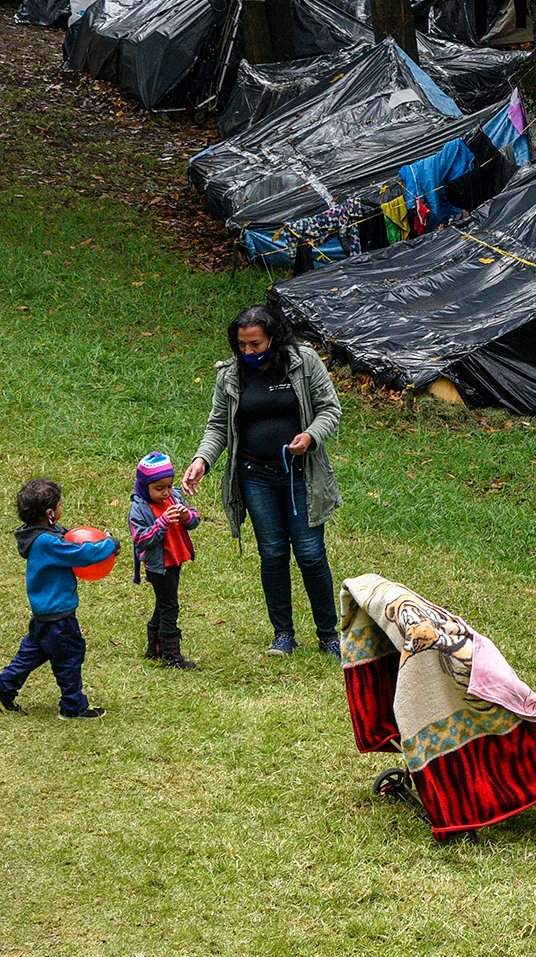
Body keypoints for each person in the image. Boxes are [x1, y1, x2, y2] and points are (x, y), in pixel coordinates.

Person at [182, 305, 343, 658]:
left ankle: (329, 635)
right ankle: (283, 634)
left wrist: (310, 436)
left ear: (273, 337)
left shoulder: (304, 362)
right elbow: (218, 426)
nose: (248, 352)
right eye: (242, 345)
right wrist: (202, 460)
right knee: (272, 553)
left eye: (255, 344)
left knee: (311, 554)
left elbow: (330, 409)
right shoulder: (231, 375)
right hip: (255, 476)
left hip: (301, 475)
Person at [1, 479, 118, 719]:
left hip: (44, 615)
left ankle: (3, 686)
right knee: (69, 658)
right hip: (59, 618)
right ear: (50, 513)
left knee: (31, 654)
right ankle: (73, 707)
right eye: (59, 504)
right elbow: (81, 554)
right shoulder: (46, 543)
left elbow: (63, 535)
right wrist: (109, 545)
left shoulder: (37, 535)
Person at [129, 452, 202, 670]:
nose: (166, 492)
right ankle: (171, 656)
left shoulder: (175, 497)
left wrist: (186, 516)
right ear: (144, 487)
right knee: (170, 606)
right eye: (159, 488)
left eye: (168, 486)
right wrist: (161, 523)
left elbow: (195, 519)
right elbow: (140, 539)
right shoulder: (139, 508)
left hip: (175, 559)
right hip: (158, 566)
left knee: (163, 602)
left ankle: (154, 647)